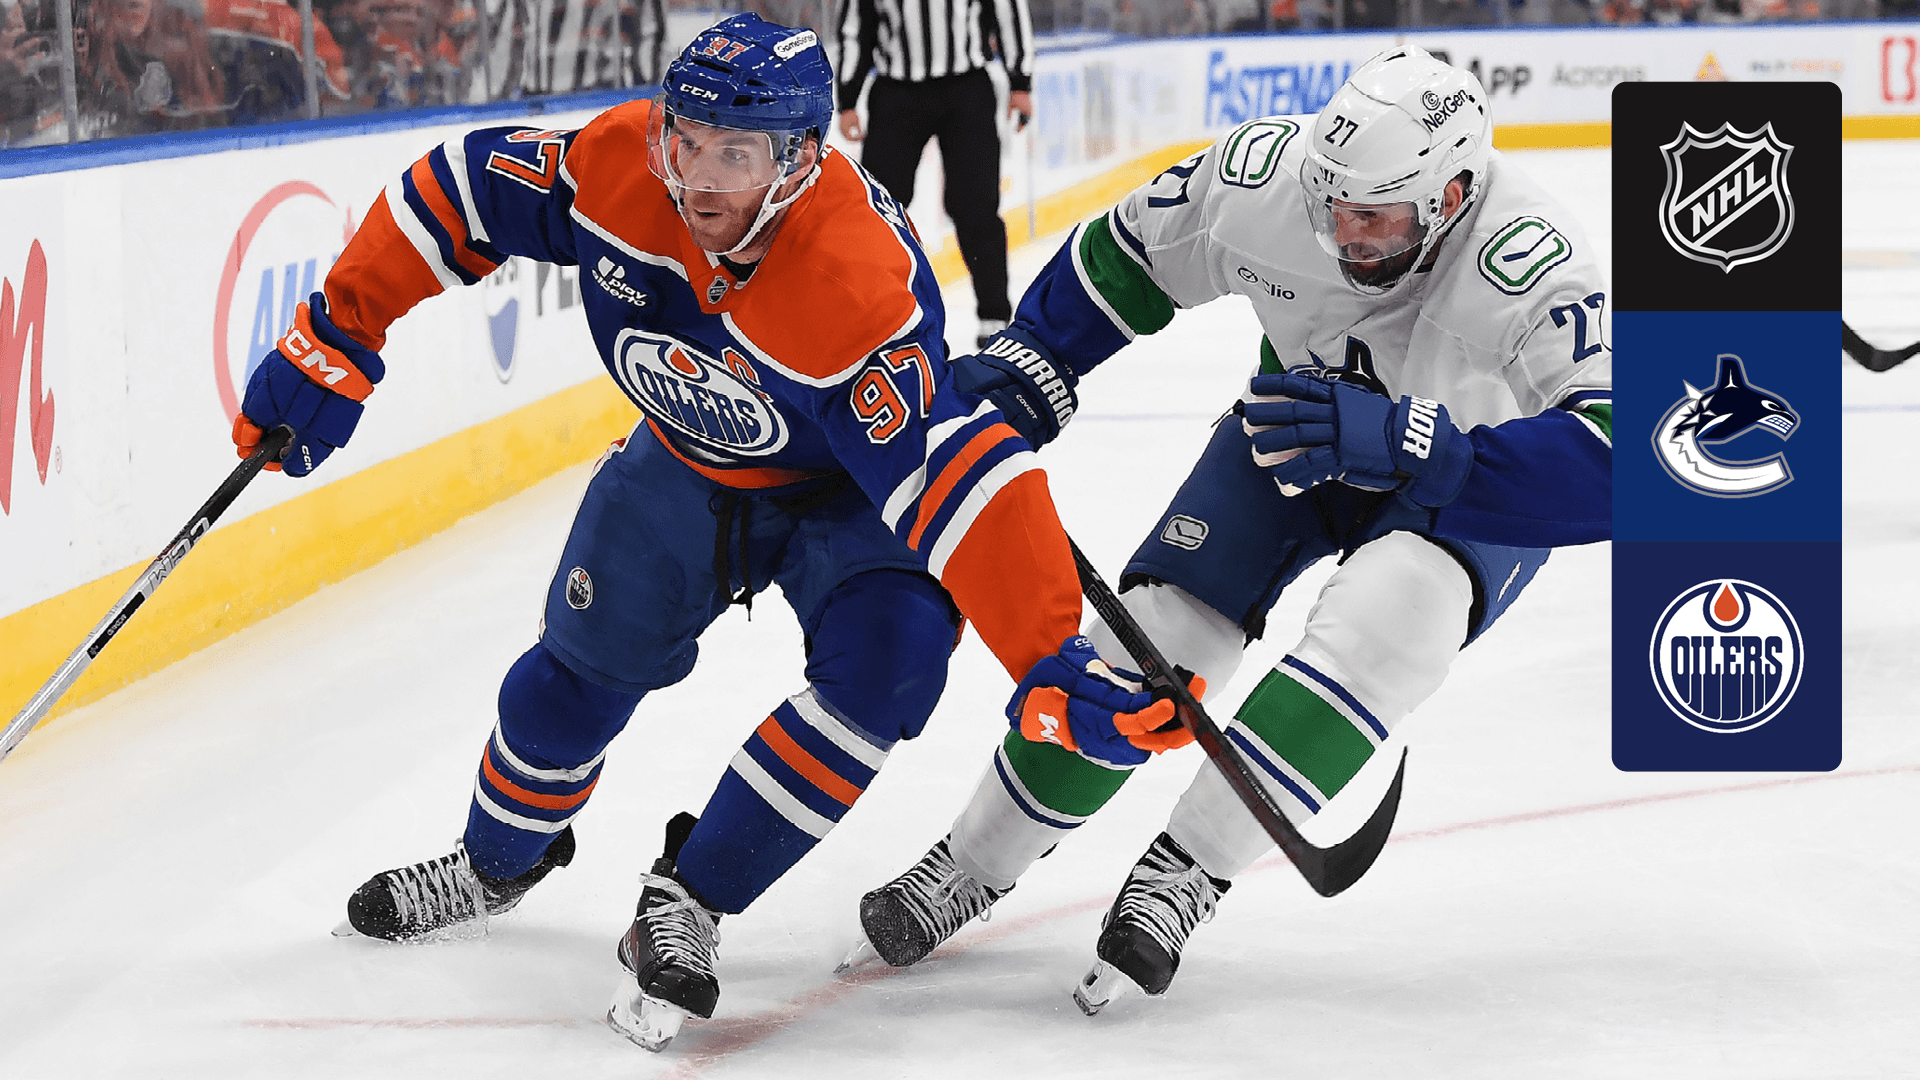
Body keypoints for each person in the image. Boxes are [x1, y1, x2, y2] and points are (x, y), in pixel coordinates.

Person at [230, 12, 1197, 1053]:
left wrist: (1047, 652)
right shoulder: (618, 167)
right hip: (685, 458)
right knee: (567, 686)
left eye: (733, 153)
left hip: (844, 492)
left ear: (800, 159)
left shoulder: (853, 283)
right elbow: (457, 191)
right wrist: (339, 328)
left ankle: (688, 900)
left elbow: (953, 479)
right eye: (684, 139)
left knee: (893, 662)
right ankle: (494, 864)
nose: (695, 177)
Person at [846, 45, 1614, 1012]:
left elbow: (1622, 457)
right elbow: (1129, 251)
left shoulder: (1532, 261)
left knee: (1393, 622)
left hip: (1468, 475)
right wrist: (1034, 360)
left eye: (1374, 217)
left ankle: (1187, 870)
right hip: (1302, 424)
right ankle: (972, 860)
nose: (1343, 235)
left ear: (1453, 195)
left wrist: (1427, 448)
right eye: (1332, 206)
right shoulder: (1268, 178)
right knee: (1159, 629)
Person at [835, 0, 1032, 348]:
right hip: (897, 91)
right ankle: (871, 311)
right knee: (877, 209)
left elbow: (1007, 9)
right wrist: (847, 98)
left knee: (975, 206)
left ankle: (994, 315)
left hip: (967, 89)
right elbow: (856, 26)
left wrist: (1021, 81)